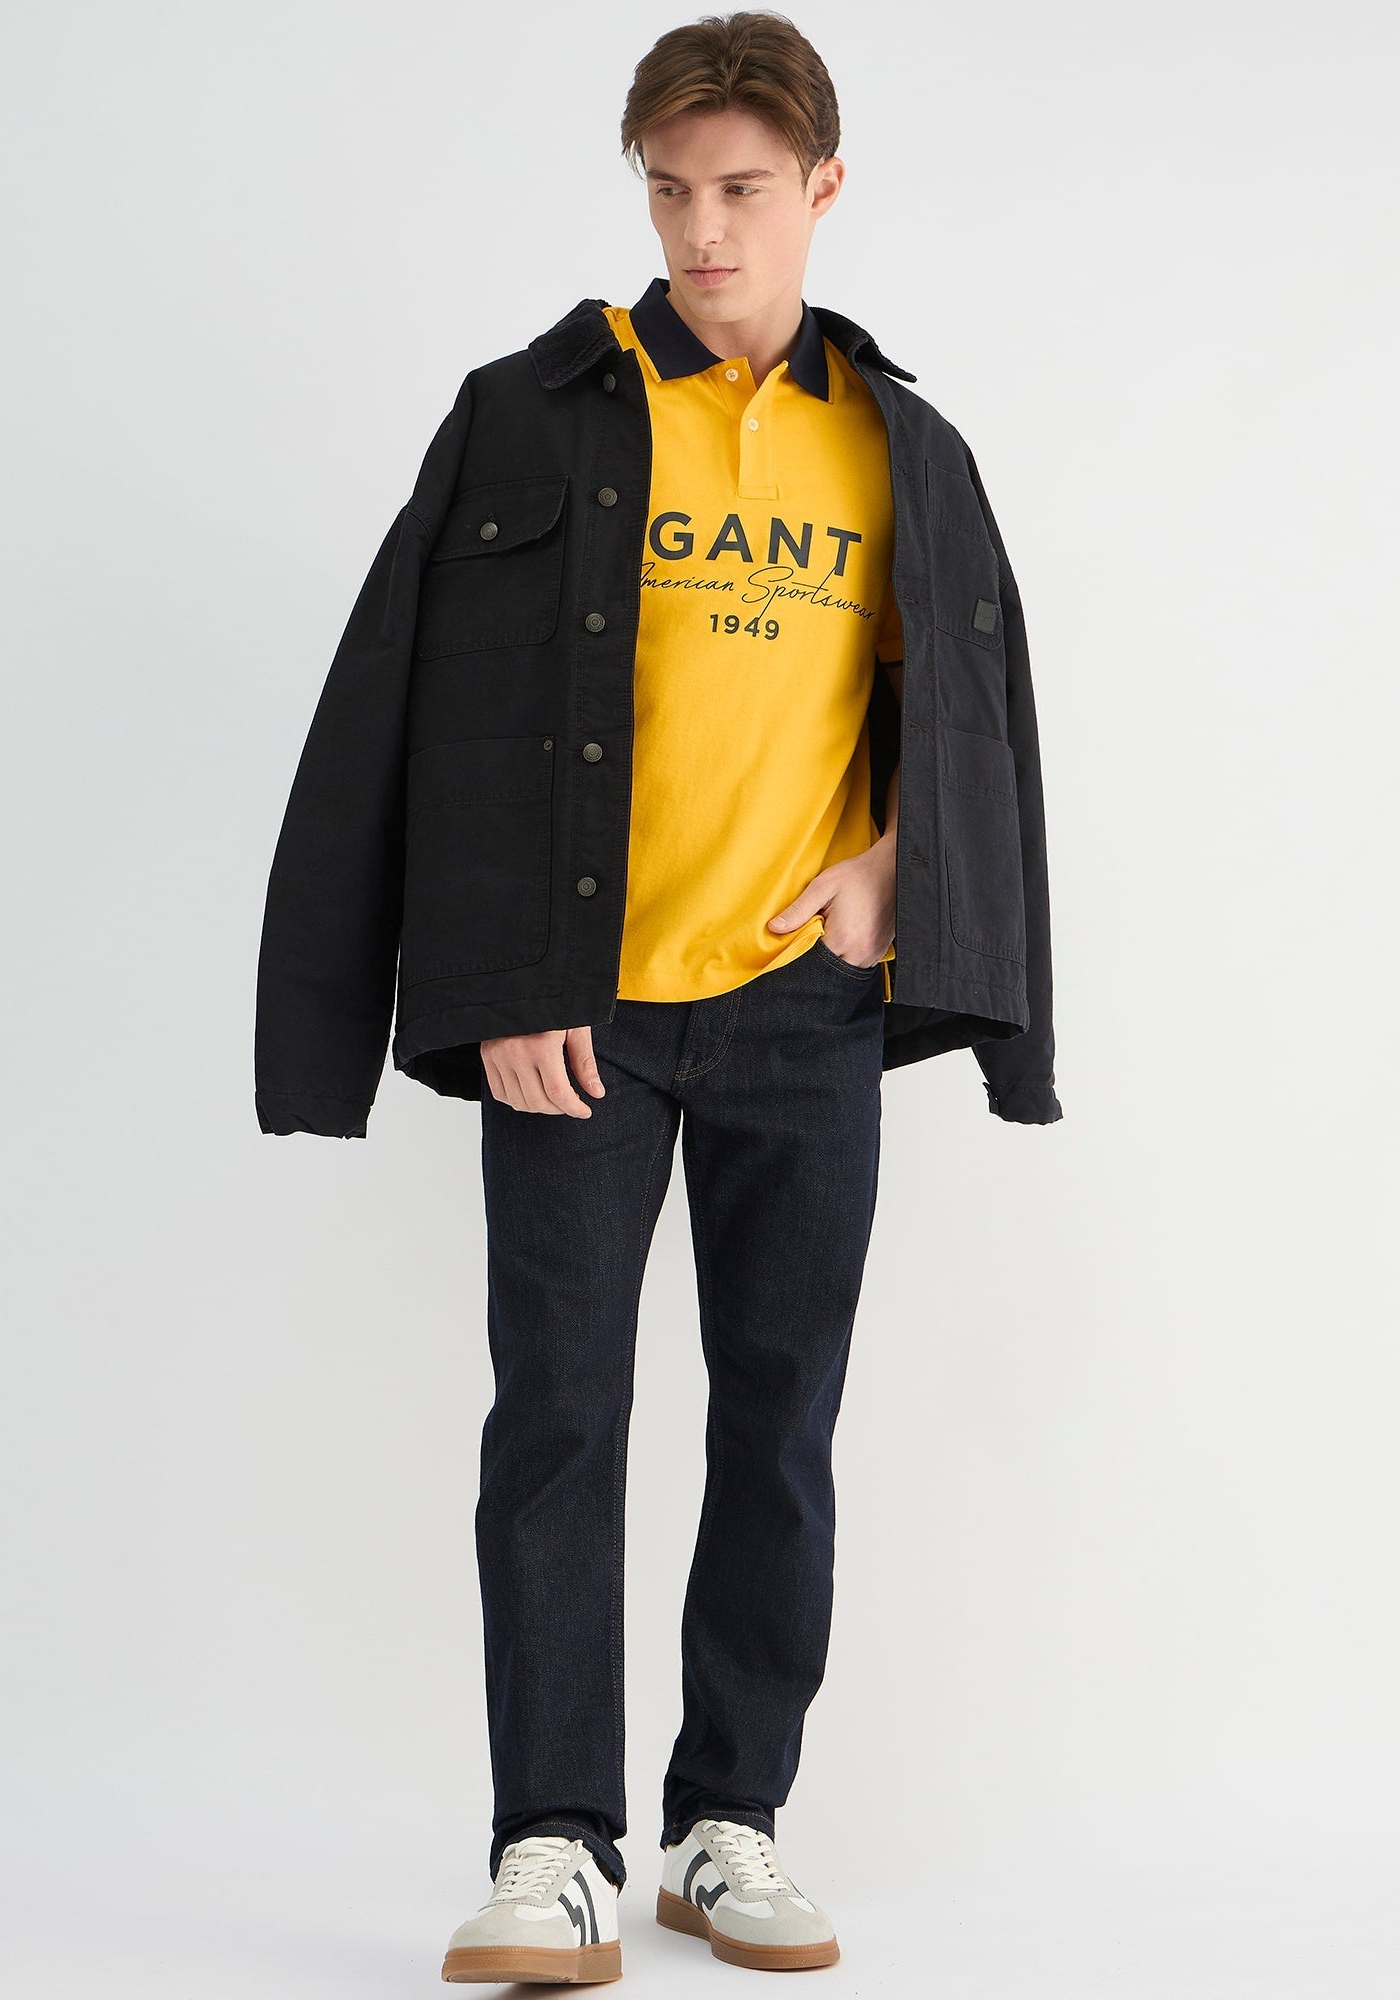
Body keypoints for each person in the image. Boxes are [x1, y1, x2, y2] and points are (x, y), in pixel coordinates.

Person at [254, 10, 1063, 1984]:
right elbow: (432, 717)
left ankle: (730, 1823)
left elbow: (965, 716)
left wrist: (901, 868)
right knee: (558, 1415)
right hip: (580, 1020)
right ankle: (553, 1845)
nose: (704, 231)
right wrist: (500, 981)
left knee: (781, 1420)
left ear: (823, 189)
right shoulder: (533, 415)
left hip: (804, 1013)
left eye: (744, 191)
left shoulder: (902, 447)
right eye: (672, 191)